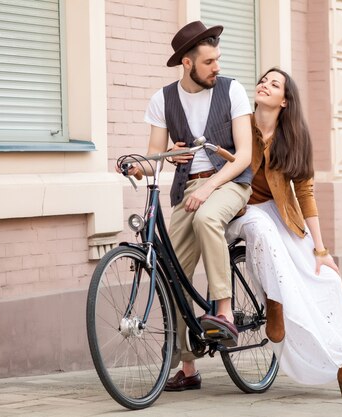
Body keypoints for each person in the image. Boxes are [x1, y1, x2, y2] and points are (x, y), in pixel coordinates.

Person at [223, 67, 342, 400]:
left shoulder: (294, 137)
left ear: (285, 100)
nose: (264, 84)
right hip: (240, 210)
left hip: (282, 214)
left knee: (327, 280)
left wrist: (321, 250)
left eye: (274, 83)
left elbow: (305, 193)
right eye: (263, 80)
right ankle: (275, 304)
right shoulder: (239, 123)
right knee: (262, 228)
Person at [135, 21, 253, 392]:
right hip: (188, 190)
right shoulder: (164, 99)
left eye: (217, 59)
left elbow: (244, 156)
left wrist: (210, 188)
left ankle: (223, 311)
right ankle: (188, 369)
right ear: (187, 64)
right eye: (208, 62)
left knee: (206, 218)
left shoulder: (233, 90)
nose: (216, 67)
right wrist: (139, 165)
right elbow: (156, 157)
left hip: (231, 183)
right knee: (173, 274)